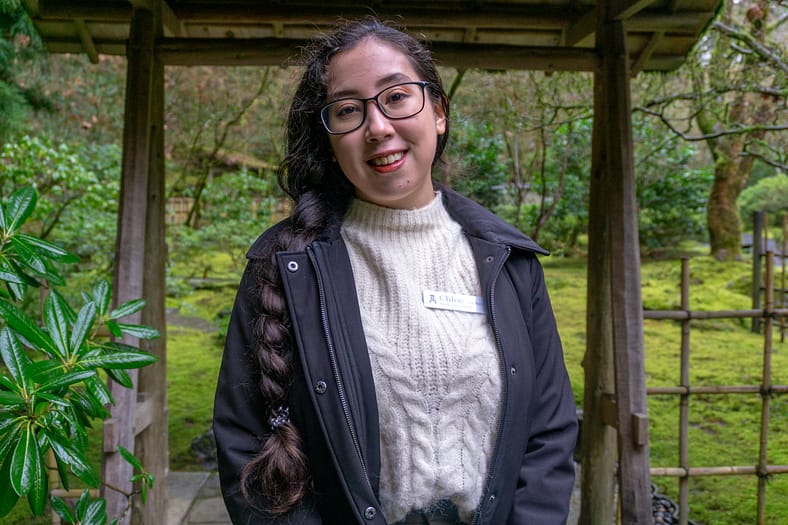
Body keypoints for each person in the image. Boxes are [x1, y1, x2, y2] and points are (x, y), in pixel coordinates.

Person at [213, 17, 577, 525]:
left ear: (440, 112)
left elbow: (549, 431)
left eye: (397, 97)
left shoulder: (507, 261)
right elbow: (243, 439)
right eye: (347, 110)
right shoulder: (285, 265)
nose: (378, 126)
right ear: (331, 139)